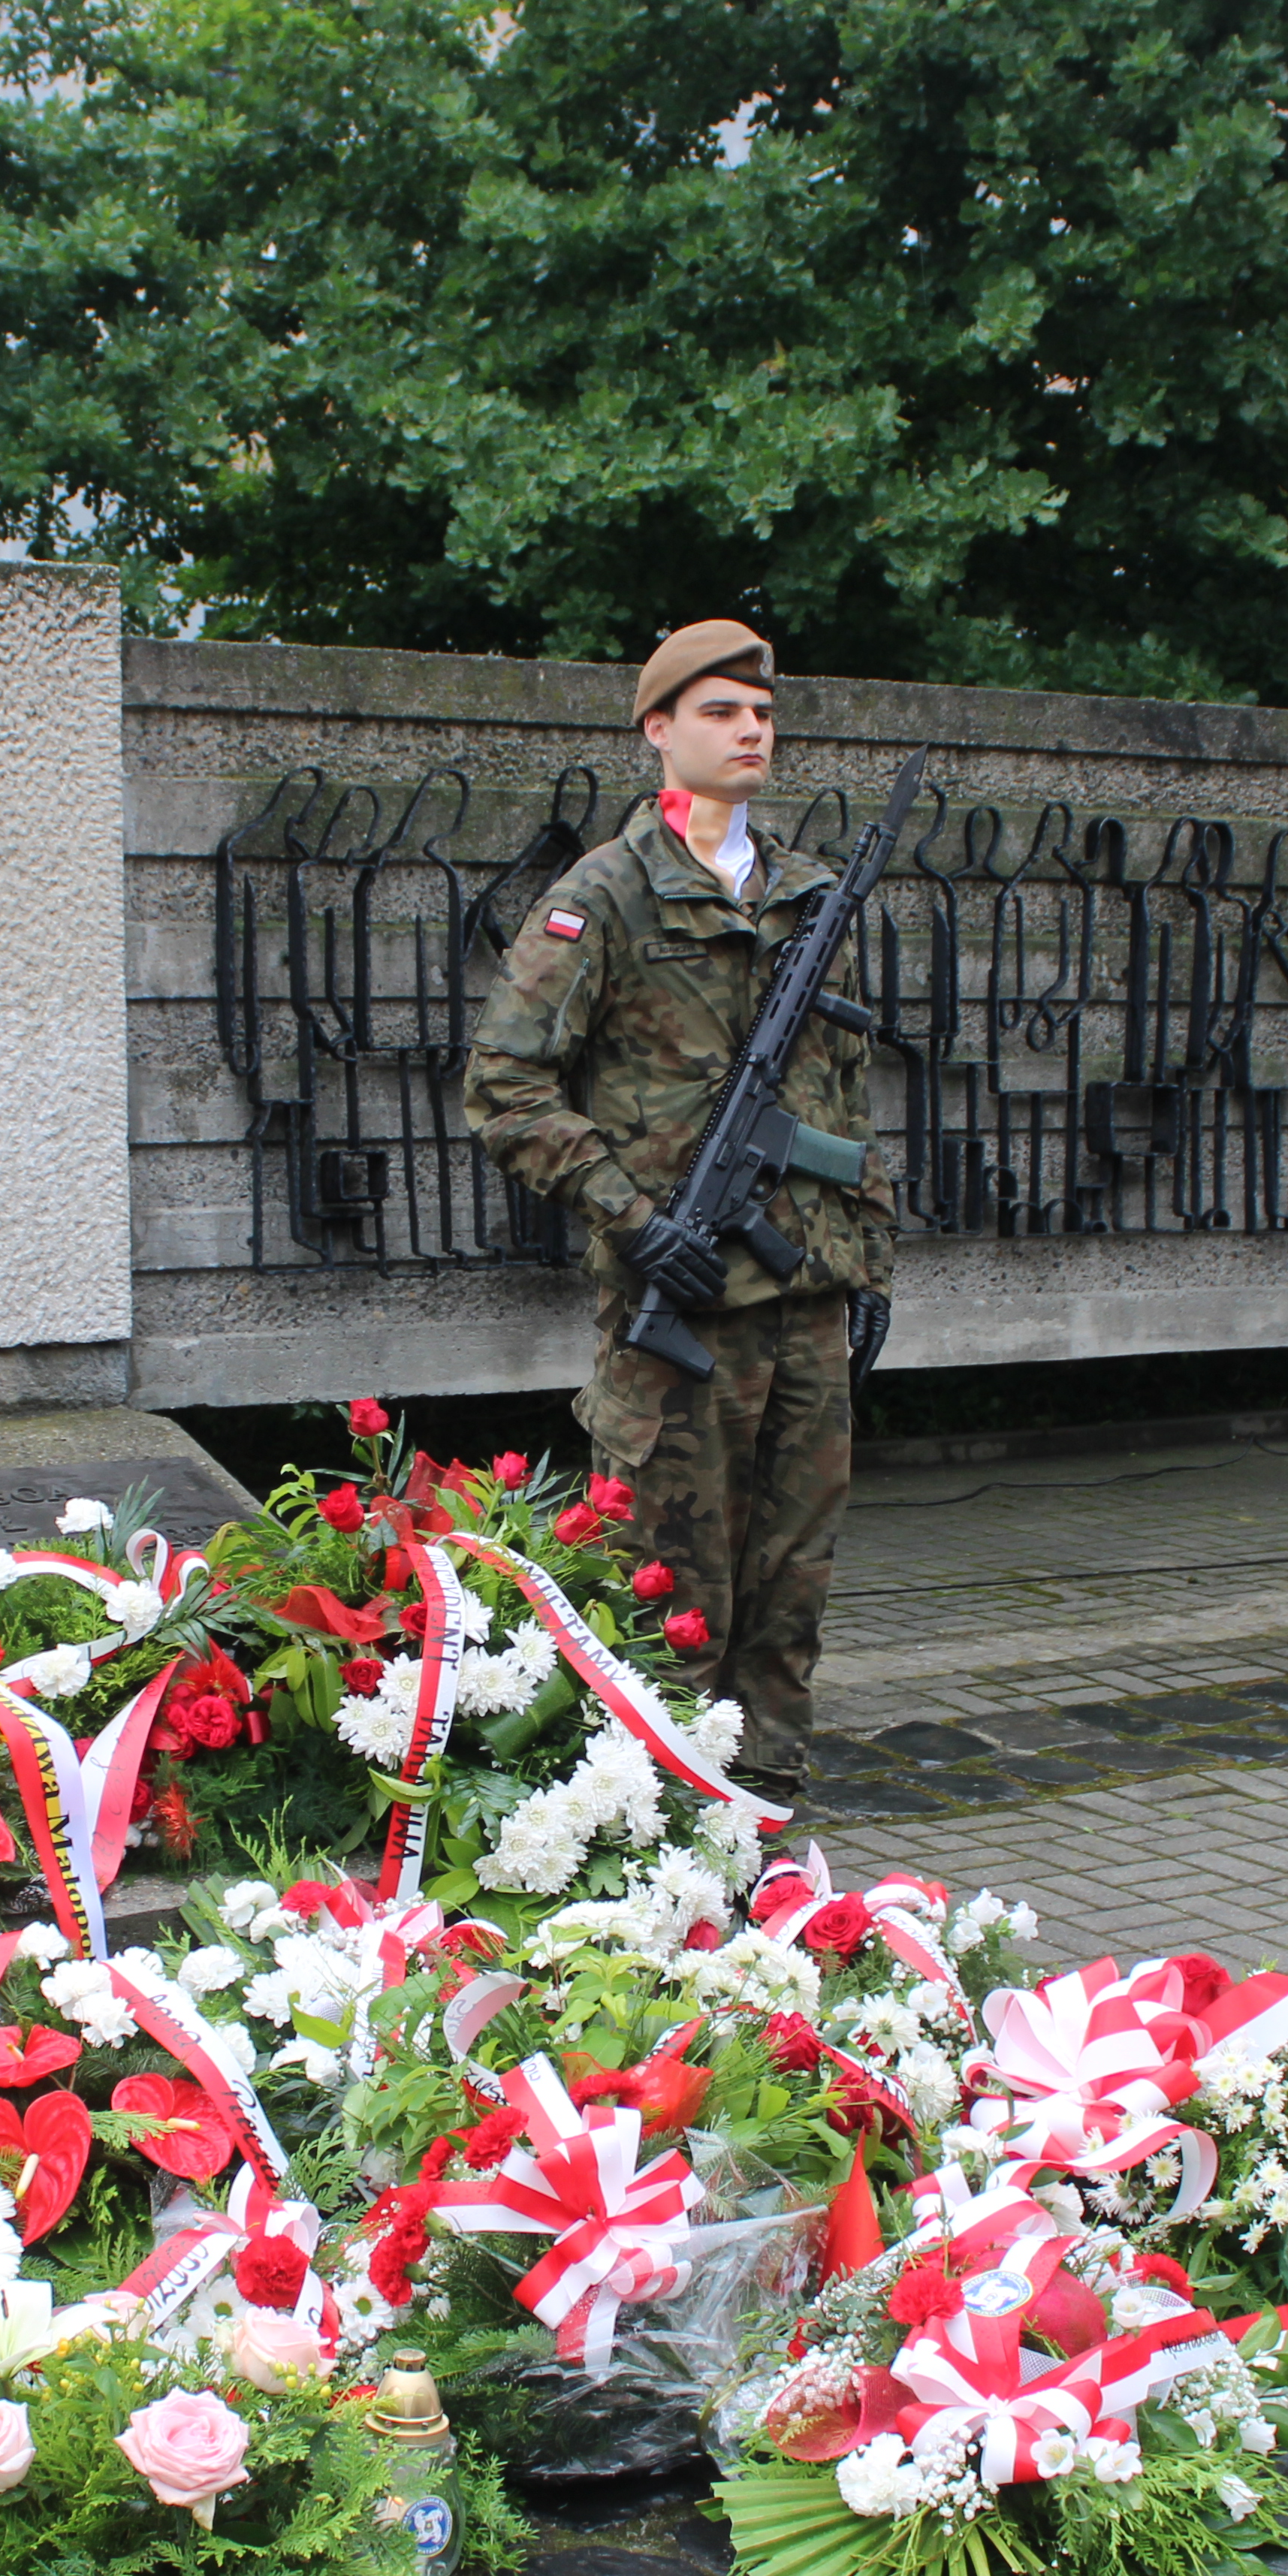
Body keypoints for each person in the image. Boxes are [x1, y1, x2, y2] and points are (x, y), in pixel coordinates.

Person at [463, 620, 897, 1796]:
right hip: (684, 1311)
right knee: (670, 1587)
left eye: (762, 712)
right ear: (659, 730)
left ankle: (766, 1813)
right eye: (720, 710)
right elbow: (503, 1085)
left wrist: (871, 1270)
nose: (751, 729)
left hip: (807, 1301)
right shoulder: (603, 896)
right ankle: (655, 1826)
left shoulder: (810, 896)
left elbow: (844, 1105)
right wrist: (631, 1215)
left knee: (792, 1581)